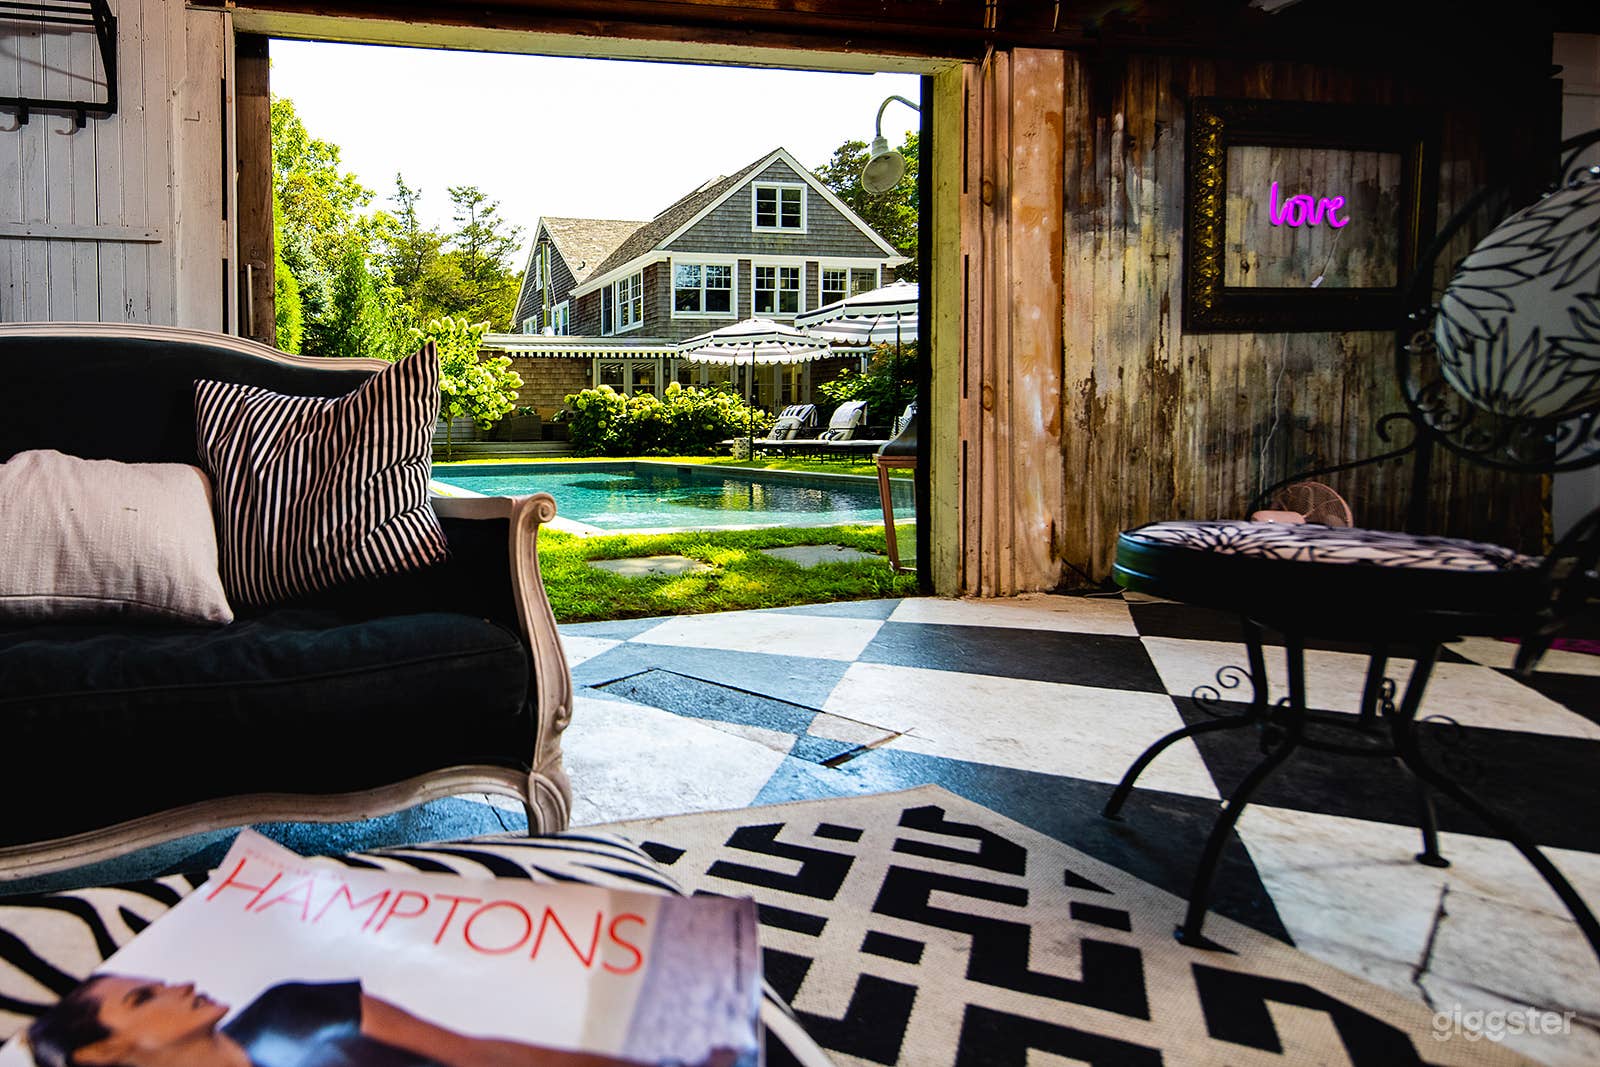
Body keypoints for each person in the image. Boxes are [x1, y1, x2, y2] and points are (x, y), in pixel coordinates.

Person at [26, 975, 740, 1067]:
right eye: (144, 997)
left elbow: (480, 1053)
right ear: (101, 1051)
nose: (177, 980)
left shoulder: (296, 1005)